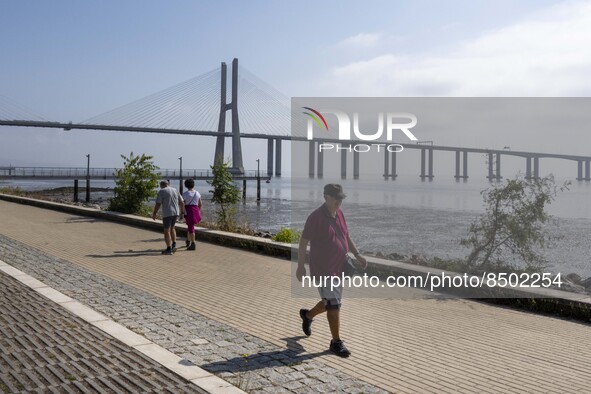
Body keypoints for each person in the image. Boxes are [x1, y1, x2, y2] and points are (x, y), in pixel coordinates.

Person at [296, 184, 367, 358]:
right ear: (326, 197)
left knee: (331, 302)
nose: (339, 201)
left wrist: (357, 254)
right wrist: (300, 266)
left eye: (341, 198)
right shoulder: (315, 217)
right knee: (334, 304)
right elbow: (303, 241)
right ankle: (336, 342)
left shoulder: (340, 214)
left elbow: (346, 236)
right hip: (323, 269)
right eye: (336, 198)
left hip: (339, 268)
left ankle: (308, 315)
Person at [152, 180, 184, 255]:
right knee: (172, 228)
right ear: (168, 184)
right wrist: (182, 212)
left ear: (161, 185)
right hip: (176, 212)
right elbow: (182, 202)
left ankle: (169, 249)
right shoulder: (175, 190)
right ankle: (174, 244)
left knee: (167, 231)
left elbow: (158, 203)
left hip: (167, 213)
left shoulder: (161, 191)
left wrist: (154, 213)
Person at [182, 178, 202, 251]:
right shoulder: (197, 193)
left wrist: (182, 212)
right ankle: (188, 240)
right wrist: (197, 210)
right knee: (190, 226)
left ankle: (193, 243)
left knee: (191, 228)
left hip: (189, 211)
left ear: (186, 185)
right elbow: (200, 204)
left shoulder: (185, 194)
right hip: (196, 210)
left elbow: (182, 203)